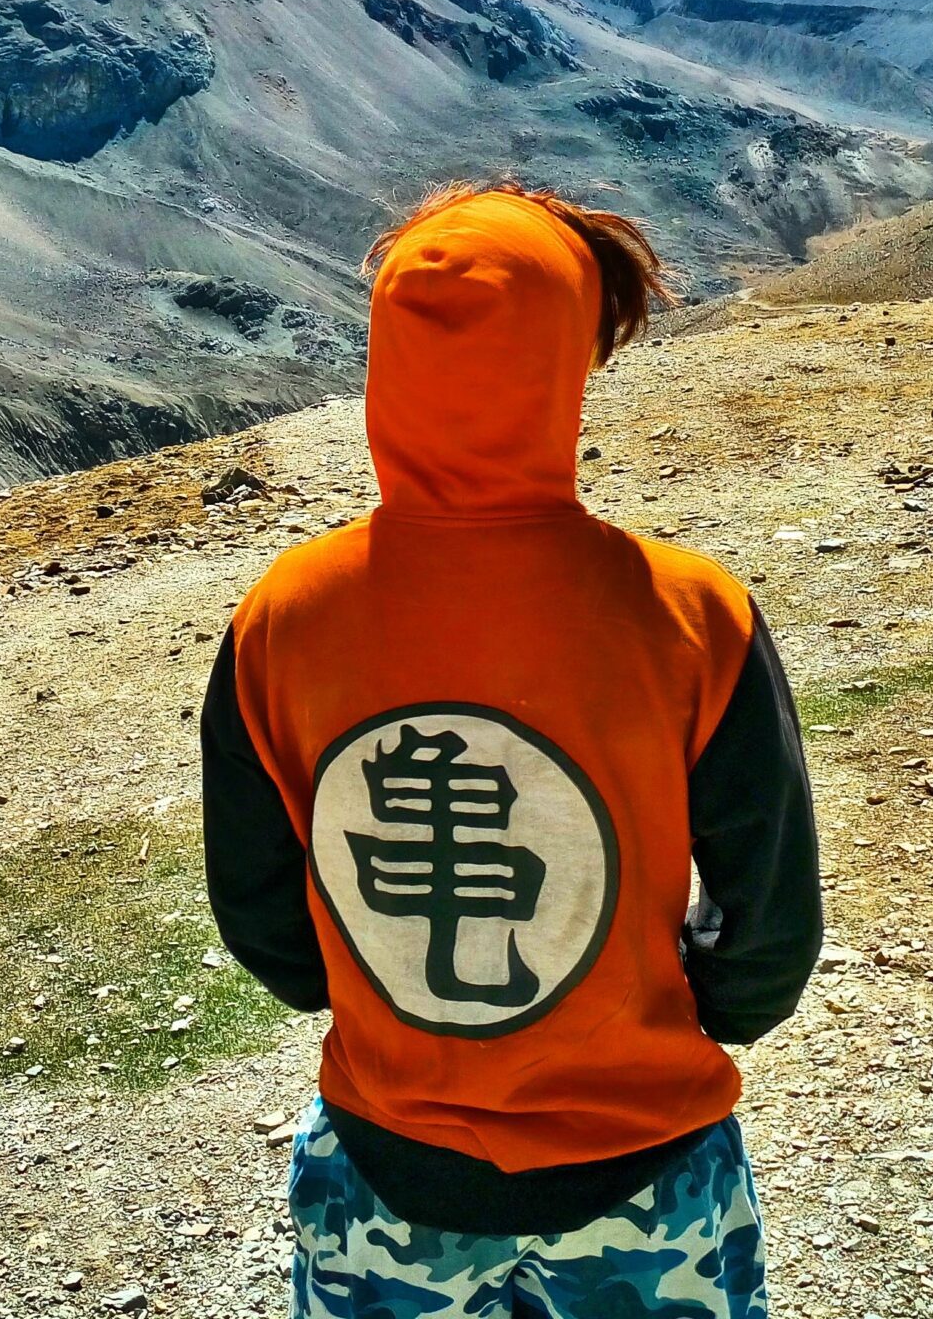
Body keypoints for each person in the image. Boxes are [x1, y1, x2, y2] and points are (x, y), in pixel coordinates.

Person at [201, 183, 824, 1318]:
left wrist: (371, 998)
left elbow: (263, 921)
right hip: (650, 1170)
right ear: (563, 369)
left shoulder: (281, 617)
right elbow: (769, 915)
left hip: (386, 1165)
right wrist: (692, 1009)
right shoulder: (689, 613)